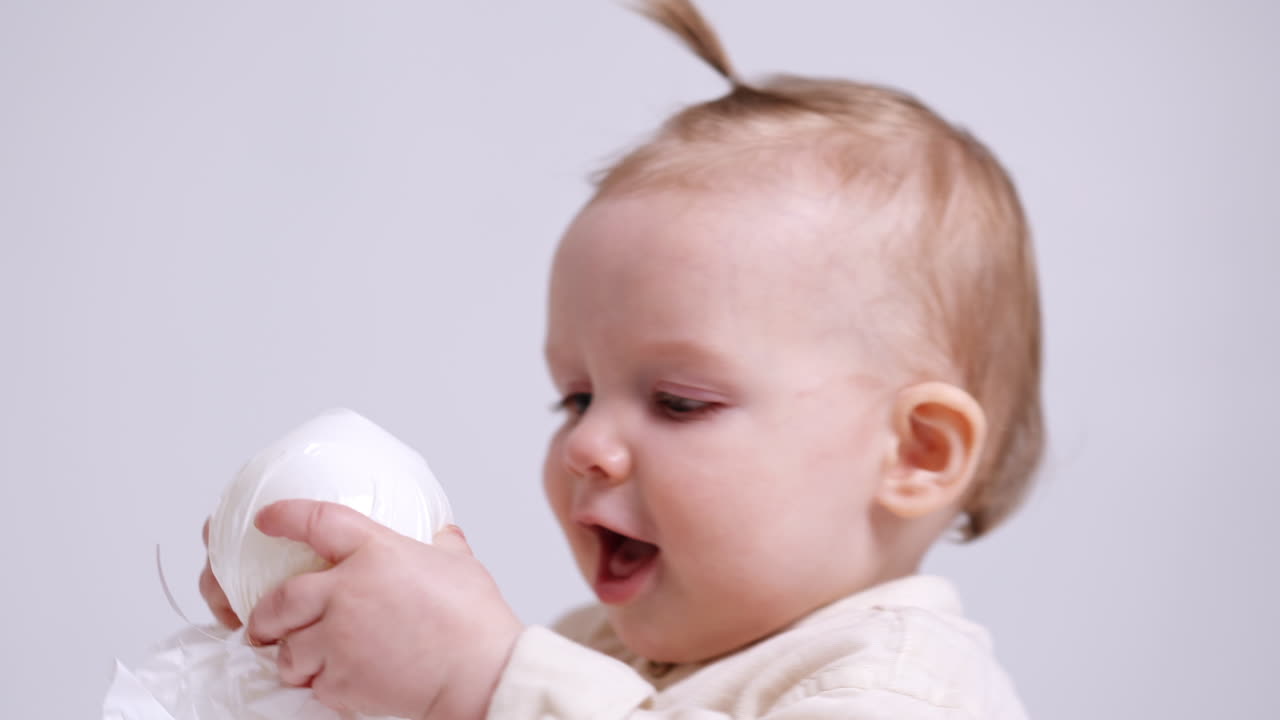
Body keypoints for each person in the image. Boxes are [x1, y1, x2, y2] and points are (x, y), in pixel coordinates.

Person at [200, 1, 1043, 717]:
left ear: (916, 454)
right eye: (574, 398)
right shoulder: (586, 654)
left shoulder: (903, 684)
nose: (585, 445)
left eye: (678, 401)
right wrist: (322, 658)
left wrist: (481, 679)